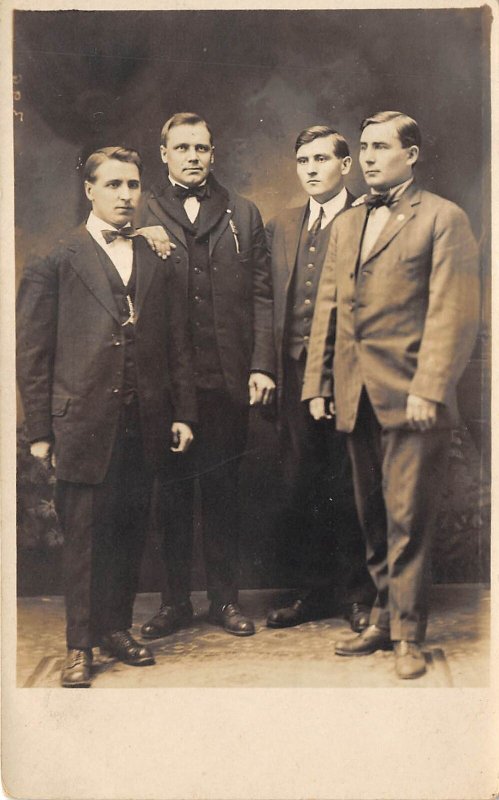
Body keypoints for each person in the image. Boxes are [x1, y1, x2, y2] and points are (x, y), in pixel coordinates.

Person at [302, 111, 480, 679]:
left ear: (413, 154)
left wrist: (431, 387)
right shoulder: (348, 223)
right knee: (371, 513)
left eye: (382, 147)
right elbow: (328, 308)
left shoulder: (443, 218)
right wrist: (319, 384)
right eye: (365, 147)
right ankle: (381, 618)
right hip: (354, 394)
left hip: (412, 396)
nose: (371, 157)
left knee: (408, 515)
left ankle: (408, 632)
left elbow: (454, 312)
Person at [16, 147, 196, 687]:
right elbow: (32, 353)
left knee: (128, 530)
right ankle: (79, 646)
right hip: (82, 423)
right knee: (85, 539)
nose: (125, 195)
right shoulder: (56, 258)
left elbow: (176, 343)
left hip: (143, 421)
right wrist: (41, 432)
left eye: (134, 185)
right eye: (113, 185)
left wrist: (182, 413)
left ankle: (117, 628)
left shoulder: (154, 256)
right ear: (90, 191)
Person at [136, 113, 275, 639]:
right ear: (164, 153)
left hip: (225, 377)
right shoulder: (140, 210)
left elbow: (262, 294)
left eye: (202, 148)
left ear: (214, 154)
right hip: (166, 384)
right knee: (169, 496)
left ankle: (224, 601)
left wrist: (261, 363)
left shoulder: (243, 211)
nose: (193, 157)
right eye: (183, 148)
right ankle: (174, 604)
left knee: (223, 493)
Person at [265, 126, 374, 632]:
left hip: (351, 373)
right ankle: (312, 592)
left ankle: (357, 596)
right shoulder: (285, 224)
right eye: (302, 160)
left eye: (321, 159)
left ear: (345, 165)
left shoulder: (370, 218)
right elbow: (267, 300)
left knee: (350, 482)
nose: (310, 169)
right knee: (301, 483)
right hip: (293, 374)